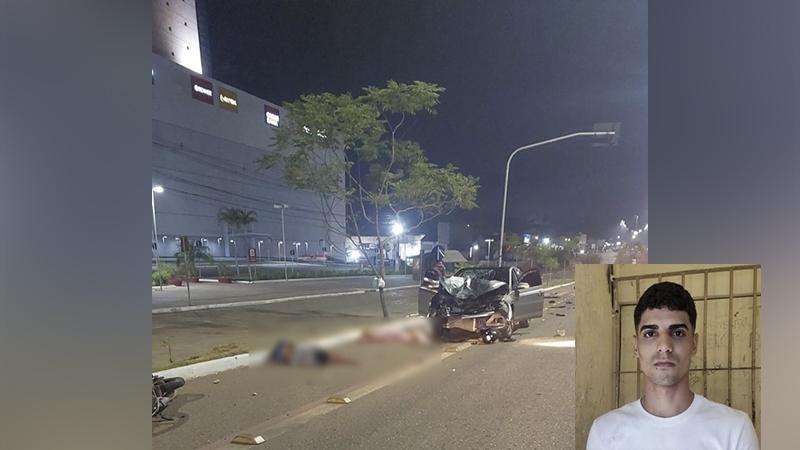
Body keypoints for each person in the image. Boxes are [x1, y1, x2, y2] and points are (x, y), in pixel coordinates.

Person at [587, 281, 759, 450]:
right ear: (635, 346)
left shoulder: (735, 430)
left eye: (677, 333)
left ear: (694, 343)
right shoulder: (604, 432)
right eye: (650, 333)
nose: (664, 346)